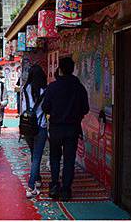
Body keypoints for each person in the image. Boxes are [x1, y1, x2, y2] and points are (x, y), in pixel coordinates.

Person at [42, 57, 89, 201]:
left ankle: (55, 186)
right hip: (72, 129)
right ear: (73, 69)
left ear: (60, 69)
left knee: (55, 157)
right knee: (69, 159)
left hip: (56, 128)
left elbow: (45, 107)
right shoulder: (79, 87)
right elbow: (85, 108)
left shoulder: (53, 87)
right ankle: (66, 190)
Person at [20, 65, 48, 198]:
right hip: (40, 126)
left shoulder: (25, 88)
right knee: (37, 157)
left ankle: (37, 179)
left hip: (27, 126)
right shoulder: (45, 90)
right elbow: (47, 108)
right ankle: (31, 186)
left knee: (33, 154)